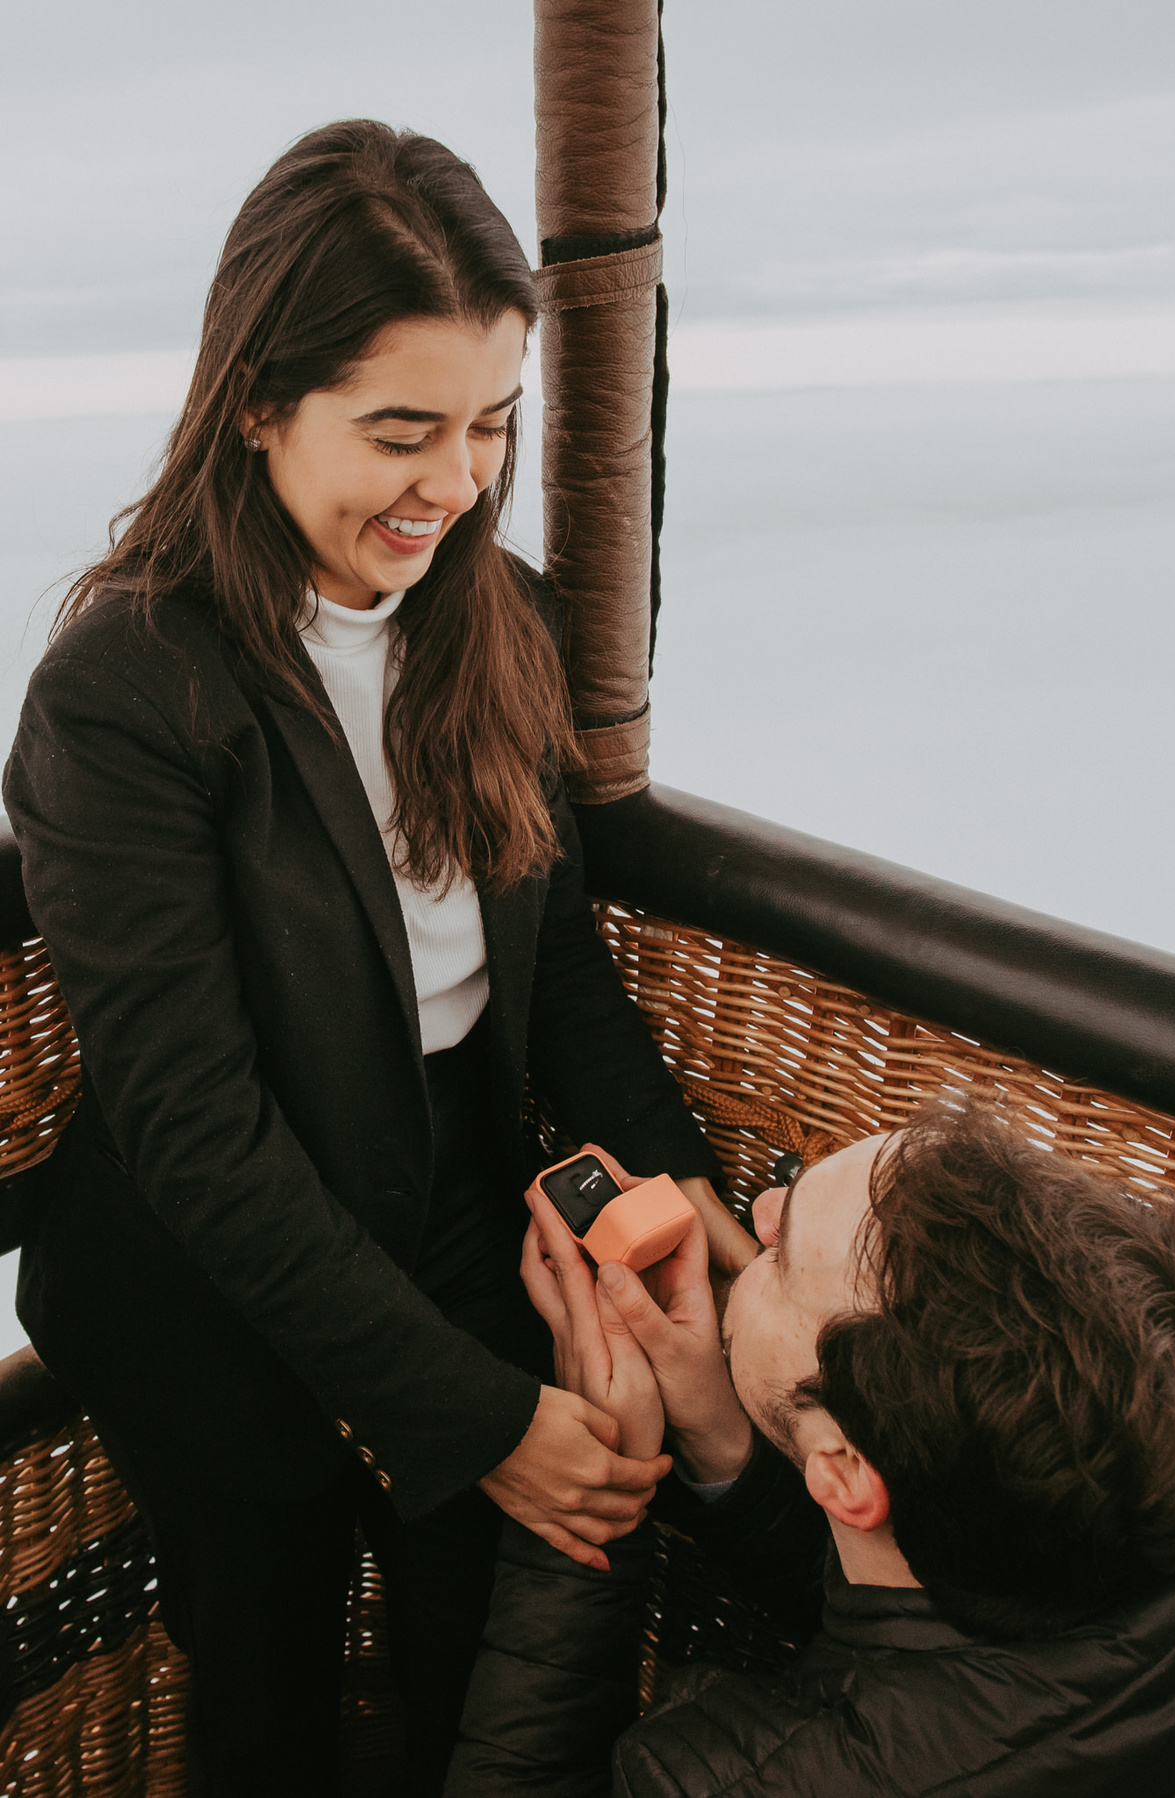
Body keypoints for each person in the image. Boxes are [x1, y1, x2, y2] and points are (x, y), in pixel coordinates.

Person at [2, 119, 755, 1797]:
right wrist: (487, 1422)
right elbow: (195, 1126)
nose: (458, 479)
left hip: (451, 1201)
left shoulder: (504, 620)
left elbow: (552, 980)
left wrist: (698, 1192)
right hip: (217, 1265)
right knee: (263, 1700)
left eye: (490, 424)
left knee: (476, 1676)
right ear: (259, 402)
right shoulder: (127, 690)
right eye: (401, 430)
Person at [446, 1104, 1175, 1796]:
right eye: (788, 1184)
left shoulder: (724, 1780)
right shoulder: (1110, 1484)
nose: (758, 1212)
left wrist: (593, 1522)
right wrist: (723, 1443)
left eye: (785, 1254)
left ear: (845, 1472)